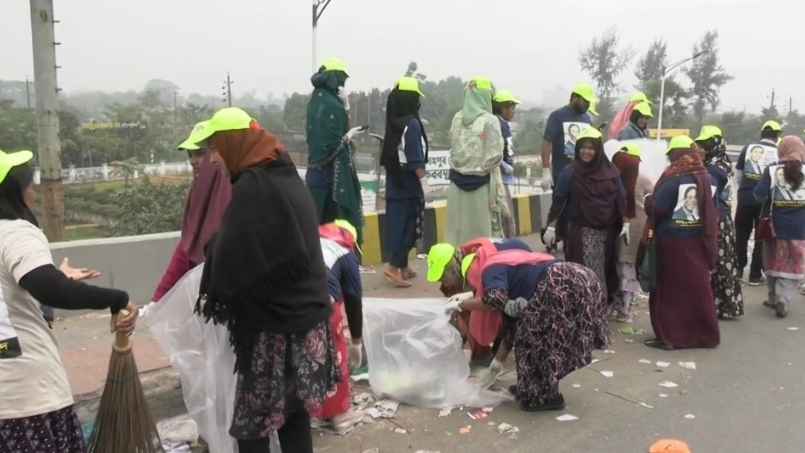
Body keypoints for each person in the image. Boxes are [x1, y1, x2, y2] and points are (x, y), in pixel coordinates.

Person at [188, 107, 337, 453]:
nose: (214, 160)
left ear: (233, 144)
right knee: (293, 417)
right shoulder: (284, 175)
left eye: (215, 149)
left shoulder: (254, 187)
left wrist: (213, 259)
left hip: (276, 331)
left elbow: (231, 258)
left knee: (251, 427)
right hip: (308, 320)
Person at [0, 149, 138, 452]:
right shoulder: (15, 233)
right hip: (24, 397)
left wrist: (57, 276)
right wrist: (116, 298)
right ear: (13, 192)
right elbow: (47, 288)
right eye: (29, 186)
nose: (33, 193)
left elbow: (14, 290)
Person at [428, 240, 608, 411]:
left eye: (444, 278)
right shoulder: (502, 266)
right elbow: (510, 326)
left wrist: (461, 304)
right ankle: (532, 389)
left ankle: (545, 397)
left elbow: (494, 300)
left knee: (536, 340)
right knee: (528, 333)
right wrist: (496, 365)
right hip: (578, 279)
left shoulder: (490, 268)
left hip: (564, 282)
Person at [641, 136, 720, 350]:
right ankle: (704, 334)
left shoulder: (674, 178)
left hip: (673, 243)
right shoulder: (708, 178)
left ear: (673, 155)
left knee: (670, 290)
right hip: (699, 242)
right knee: (697, 288)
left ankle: (673, 336)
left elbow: (658, 208)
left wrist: (649, 199)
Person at [543, 127, 625, 309]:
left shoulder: (611, 172)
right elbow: (559, 201)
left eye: (591, 148)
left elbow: (621, 198)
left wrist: (624, 222)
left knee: (605, 269)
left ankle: (598, 307)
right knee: (583, 272)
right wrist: (551, 226)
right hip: (580, 231)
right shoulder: (570, 172)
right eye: (583, 147)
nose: (586, 152)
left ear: (598, 150)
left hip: (607, 233)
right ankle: (585, 308)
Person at [151, 121, 232, 303]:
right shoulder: (199, 193)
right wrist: (158, 300)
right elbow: (188, 245)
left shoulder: (239, 191)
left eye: (200, 153)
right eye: (190, 155)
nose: (193, 161)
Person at [427, 238, 533, 369]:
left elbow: (490, 302)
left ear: (453, 268)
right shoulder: (465, 256)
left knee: (480, 309)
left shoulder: (475, 267)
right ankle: (488, 351)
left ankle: (482, 355)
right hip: (516, 265)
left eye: (443, 278)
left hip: (524, 274)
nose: (442, 283)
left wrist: (463, 305)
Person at [313, 220, 364, 433]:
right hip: (322, 303)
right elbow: (353, 299)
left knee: (310, 357)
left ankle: (313, 412)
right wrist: (356, 341)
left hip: (292, 302)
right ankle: (339, 415)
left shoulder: (311, 241)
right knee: (336, 354)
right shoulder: (345, 253)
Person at [305, 57, 364, 241]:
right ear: (335, 79)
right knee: (335, 226)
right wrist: (347, 137)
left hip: (315, 173)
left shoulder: (316, 99)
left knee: (316, 225)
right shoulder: (331, 104)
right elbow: (332, 145)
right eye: (341, 81)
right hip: (332, 177)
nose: (343, 85)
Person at [380, 77, 428, 287]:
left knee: (400, 224)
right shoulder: (412, 124)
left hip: (395, 182)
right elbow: (414, 157)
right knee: (407, 225)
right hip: (408, 184)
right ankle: (393, 268)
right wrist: (424, 183)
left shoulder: (394, 122)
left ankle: (403, 265)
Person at [446, 77, 507, 244]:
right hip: (481, 187)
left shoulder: (457, 118)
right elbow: (494, 156)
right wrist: (480, 168)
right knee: (480, 236)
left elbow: (452, 145)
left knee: (456, 232)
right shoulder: (490, 120)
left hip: (456, 186)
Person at [753, 136, 805, 318]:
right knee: (792, 265)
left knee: (773, 262)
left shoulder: (772, 170)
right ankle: (783, 299)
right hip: (800, 229)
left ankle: (773, 297)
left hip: (774, 228)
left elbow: (758, 195)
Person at [695, 125, 744, 319]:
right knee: (721, 262)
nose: (701, 148)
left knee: (719, 263)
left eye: (705, 144)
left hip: (718, 219)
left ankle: (721, 305)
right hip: (721, 217)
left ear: (714, 144)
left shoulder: (716, 169)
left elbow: (708, 195)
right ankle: (721, 304)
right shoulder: (719, 162)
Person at [735, 120, 783, 285]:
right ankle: (755, 274)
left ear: (762, 133)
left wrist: (744, 189)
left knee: (741, 233)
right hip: (765, 201)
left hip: (745, 197)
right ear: (777, 136)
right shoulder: (778, 152)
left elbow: (738, 174)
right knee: (760, 236)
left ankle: (738, 270)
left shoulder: (747, 148)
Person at [610, 143, 646, 322]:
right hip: (630, 228)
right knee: (625, 267)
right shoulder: (642, 178)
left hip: (629, 229)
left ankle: (624, 308)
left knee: (623, 267)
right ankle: (624, 307)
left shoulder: (615, 178)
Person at [541, 83, 597, 187]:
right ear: (575, 98)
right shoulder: (557, 116)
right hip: (562, 173)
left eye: (589, 102)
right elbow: (547, 142)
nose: (588, 104)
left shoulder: (587, 119)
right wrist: (546, 170)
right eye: (585, 101)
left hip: (583, 175)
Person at [493, 89, 521, 238]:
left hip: (505, 177)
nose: (513, 112)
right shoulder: (497, 124)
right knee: (507, 217)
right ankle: (511, 247)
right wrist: (504, 165)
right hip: (501, 178)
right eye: (512, 108)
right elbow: (494, 151)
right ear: (503, 108)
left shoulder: (504, 124)